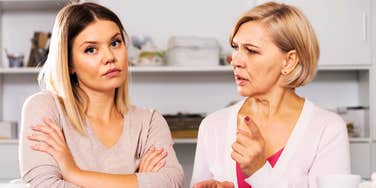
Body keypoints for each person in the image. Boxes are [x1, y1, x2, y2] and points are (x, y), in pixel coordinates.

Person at [19, 2, 183, 188]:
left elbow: (171, 183)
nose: (110, 57)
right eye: (91, 49)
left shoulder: (149, 122)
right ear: (69, 63)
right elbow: (44, 185)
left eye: (115, 43)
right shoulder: (45, 108)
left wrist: (74, 173)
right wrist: (139, 181)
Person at [191, 2, 350, 188]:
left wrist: (259, 171)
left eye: (251, 50)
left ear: (289, 61)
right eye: (236, 48)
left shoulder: (327, 129)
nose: (235, 61)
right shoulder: (212, 126)